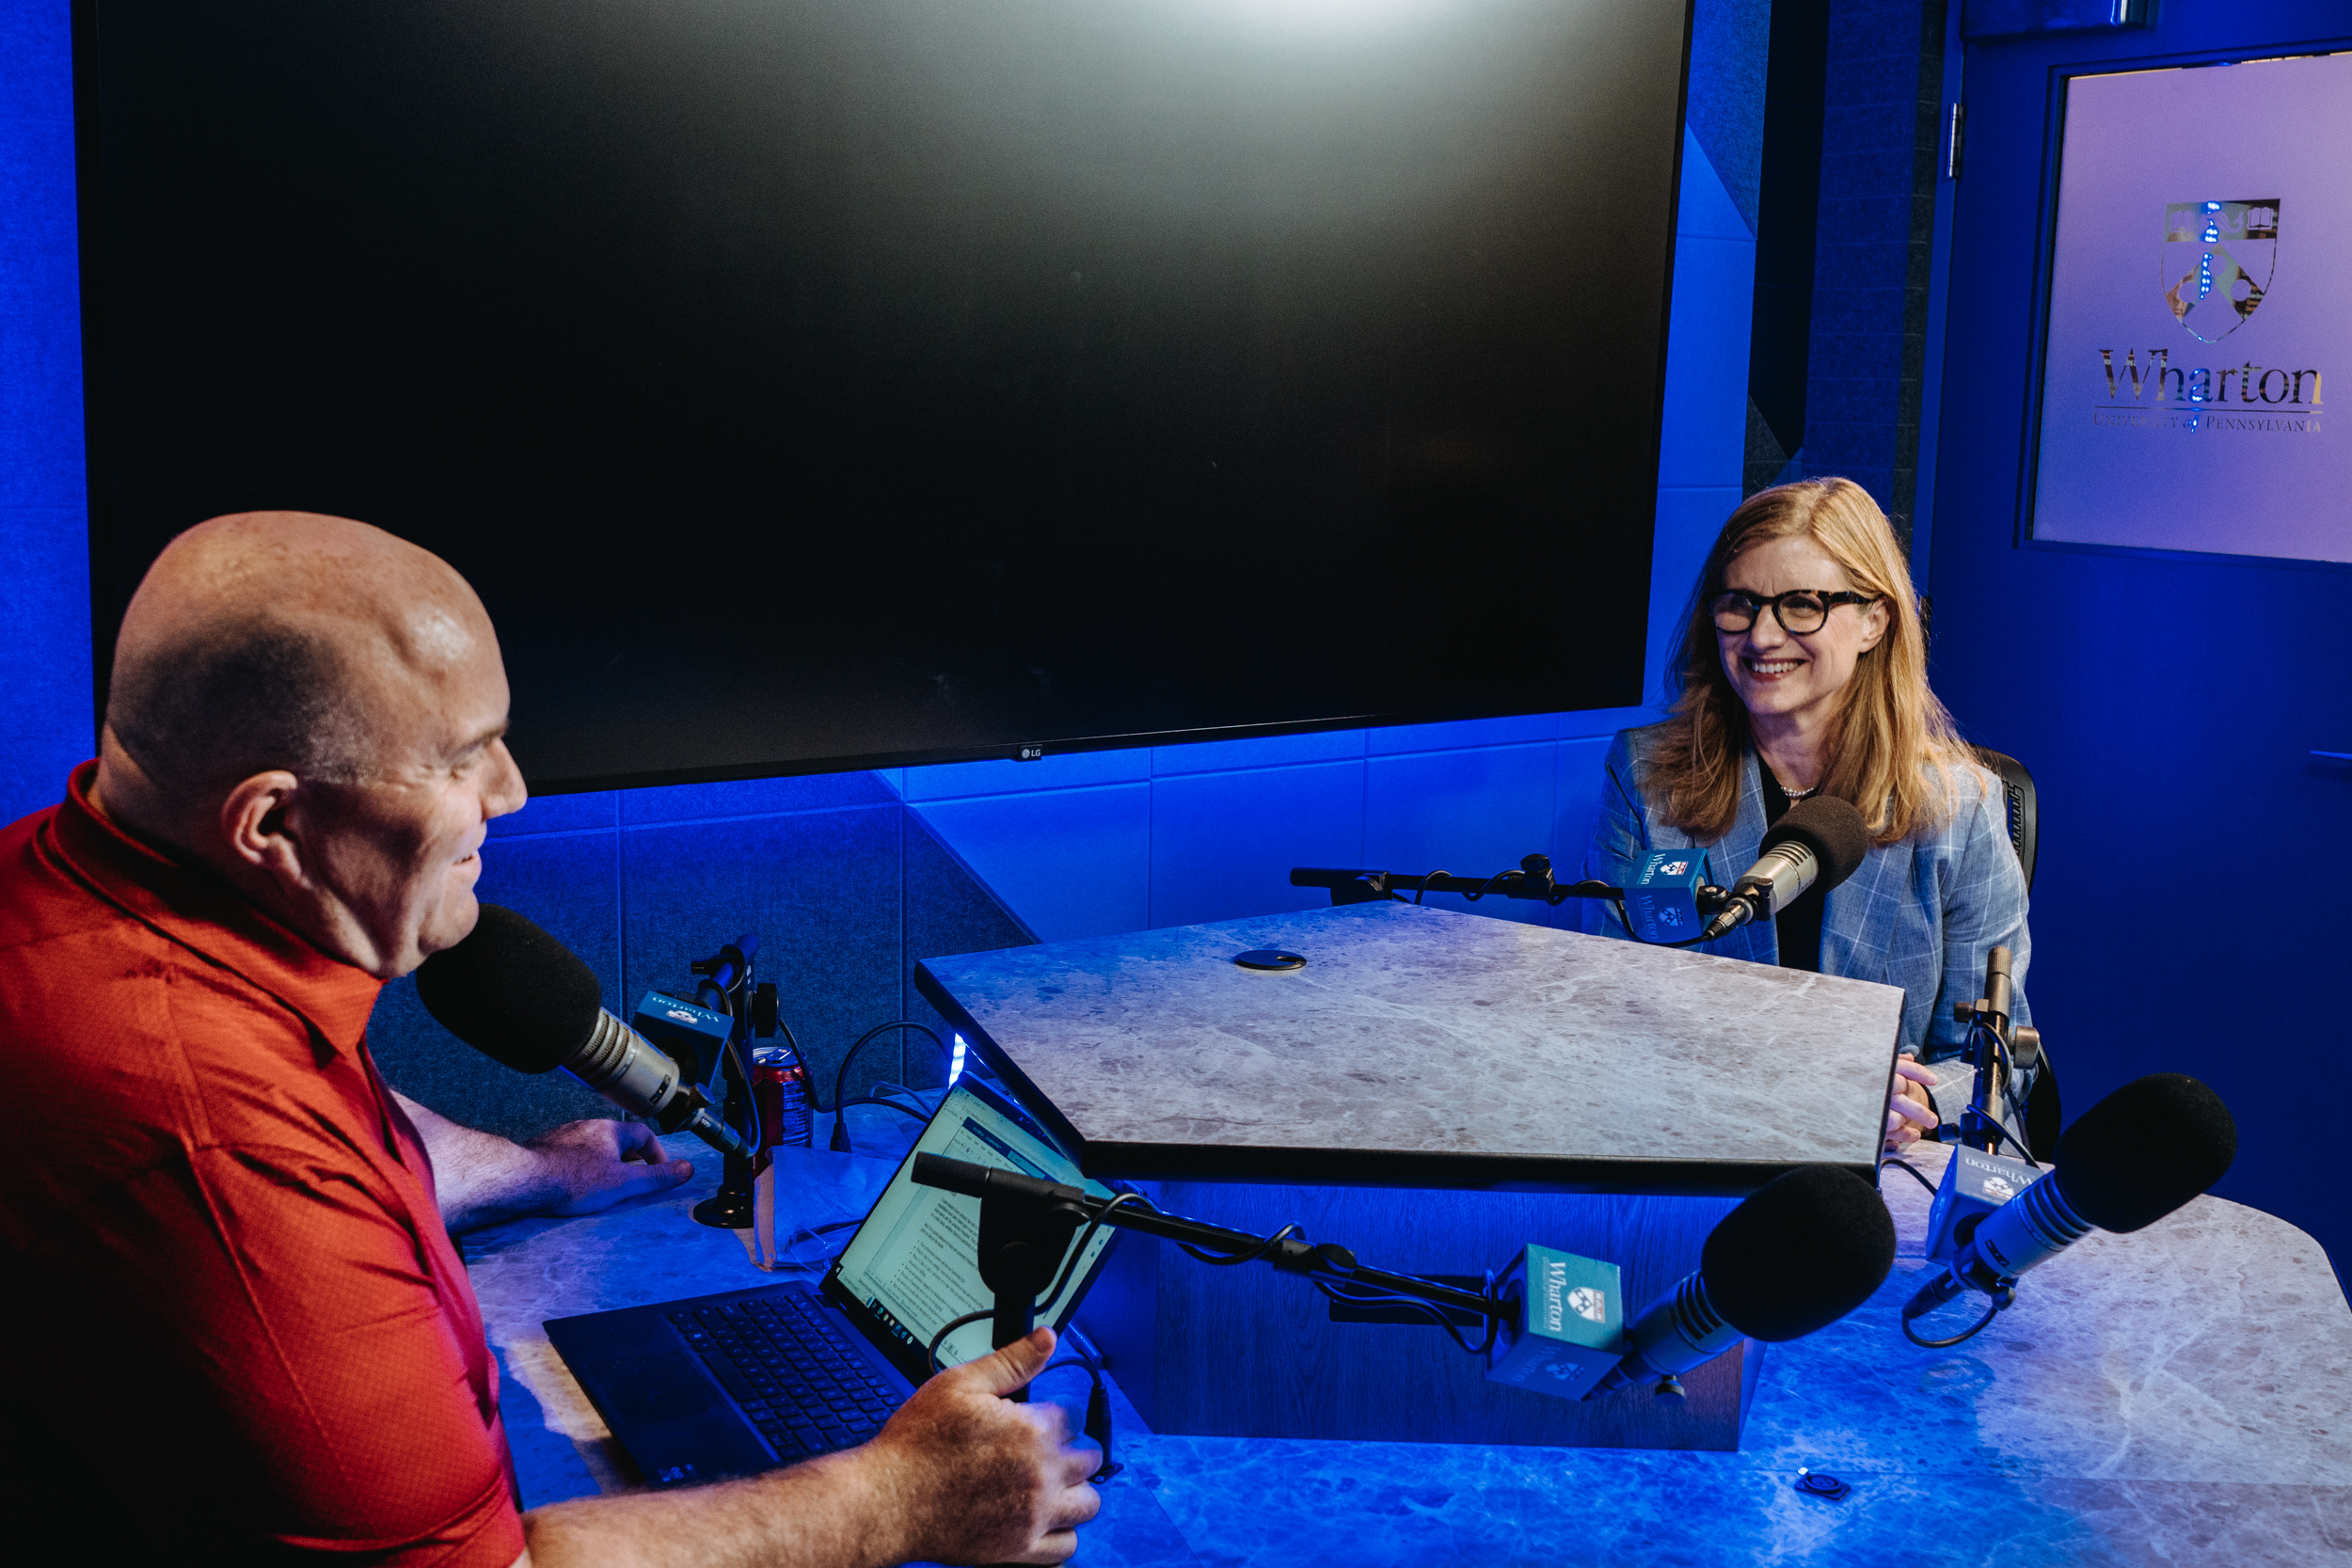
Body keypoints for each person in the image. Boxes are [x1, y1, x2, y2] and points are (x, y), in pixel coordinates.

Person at [0, 512, 1100, 1566]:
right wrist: (902, 1495)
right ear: (274, 824)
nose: (512, 792)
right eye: (464, 754)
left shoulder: (74, 891)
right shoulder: (215, 1141)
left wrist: (538, 1169)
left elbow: (330, 1128)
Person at [1580, 479, 2034, 1153]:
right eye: (1740, 603)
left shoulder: (1961, 804)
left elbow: (1990, 1063)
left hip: (1884, 1162)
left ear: (1875, 620)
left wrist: (1913, 1099)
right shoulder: (1643, 775)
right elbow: (1605, 1009)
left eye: (1801, 605)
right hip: (1701, 1133)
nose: (1763, 636)